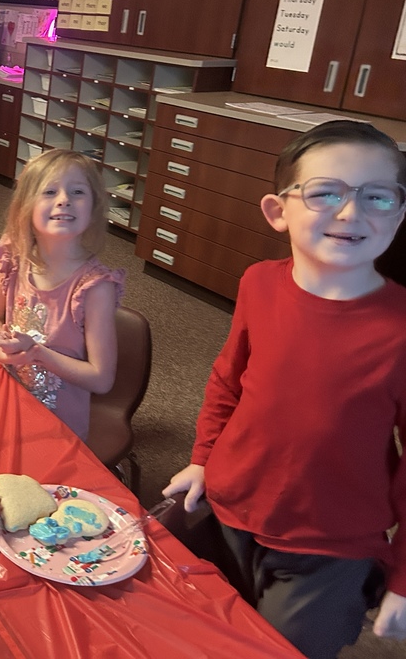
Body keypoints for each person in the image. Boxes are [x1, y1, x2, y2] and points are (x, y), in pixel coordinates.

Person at [163, 121, 406, 659]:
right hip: (230, 509)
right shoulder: (259, 283)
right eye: (325, 192)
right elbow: (230, 379)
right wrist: (204, 459)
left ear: (400, 213)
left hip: (329, 547)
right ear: (278, 211)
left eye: (378, 196)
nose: (350, 213)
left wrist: (404, 578)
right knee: (202, 631)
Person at [0, 150, 122, 441]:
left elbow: (102, 378)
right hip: (6, 404)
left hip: (58, 429)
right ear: (26, 206)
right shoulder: (12, 257)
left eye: (78, 191)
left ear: (94, 205)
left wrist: (36, 354)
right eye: (49, 191)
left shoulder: (95, 287)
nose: (64, 199)